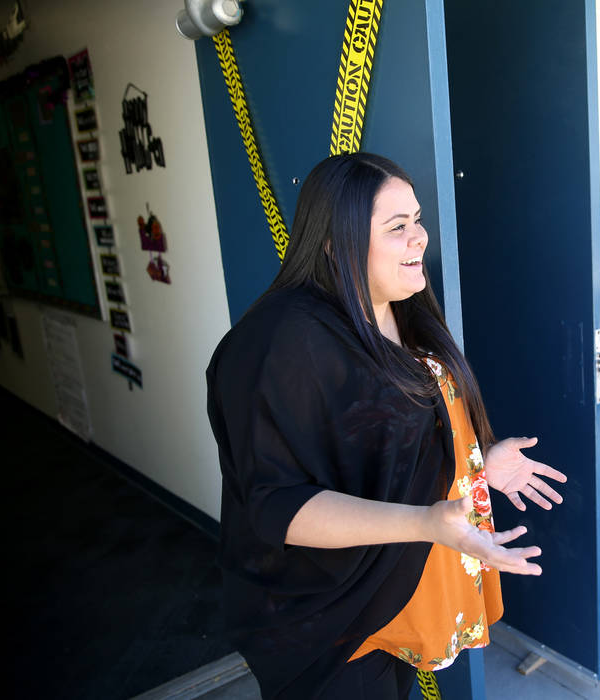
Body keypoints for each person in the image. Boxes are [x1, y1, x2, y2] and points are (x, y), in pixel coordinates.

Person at [206, 153, 567, 699]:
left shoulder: (400, 303)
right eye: (397, 227)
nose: (420, 238)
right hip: (330, 621)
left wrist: (475, 461)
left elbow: (388, 440)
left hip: (395, 587)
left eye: (417, 220)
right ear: (335, 242)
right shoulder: (281, 342)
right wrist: (426, 522)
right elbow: (278, 507)